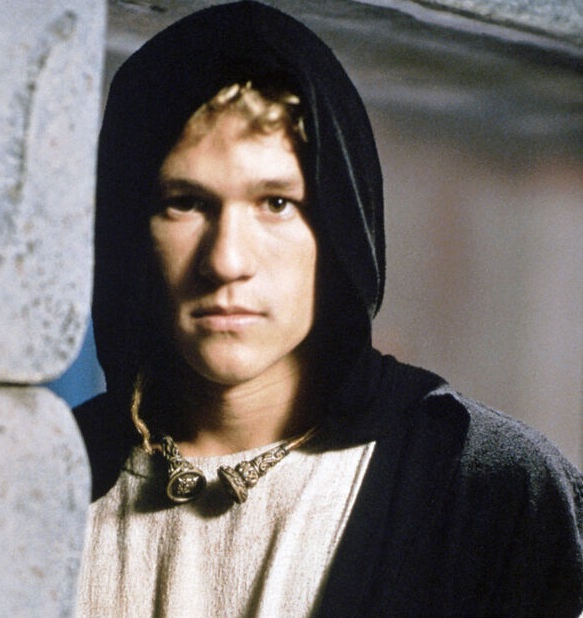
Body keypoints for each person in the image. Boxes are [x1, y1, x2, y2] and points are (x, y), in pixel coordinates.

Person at [73, 2, 583, 616]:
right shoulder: (44, 469)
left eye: (277, 203)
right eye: (185, 202)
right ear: (131, 224)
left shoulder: (486, 487)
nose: (226, 260)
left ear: (341, 220)